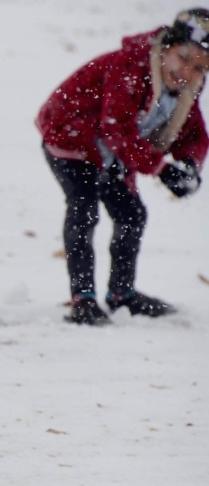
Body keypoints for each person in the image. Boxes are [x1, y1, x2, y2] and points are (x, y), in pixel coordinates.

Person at [36, 8, 209, 325]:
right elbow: (117, 129)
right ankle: (83, 299)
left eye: (200, 68)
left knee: (132, 215)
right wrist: (160, 169)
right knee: (84, 209)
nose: (188, 71)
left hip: (114, 154)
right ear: (167, 46)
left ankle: (122, 295)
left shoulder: (183, 90)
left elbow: (193, 133)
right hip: (73, 139)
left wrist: (188, 165)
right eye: (184, 58)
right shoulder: (132, 65)